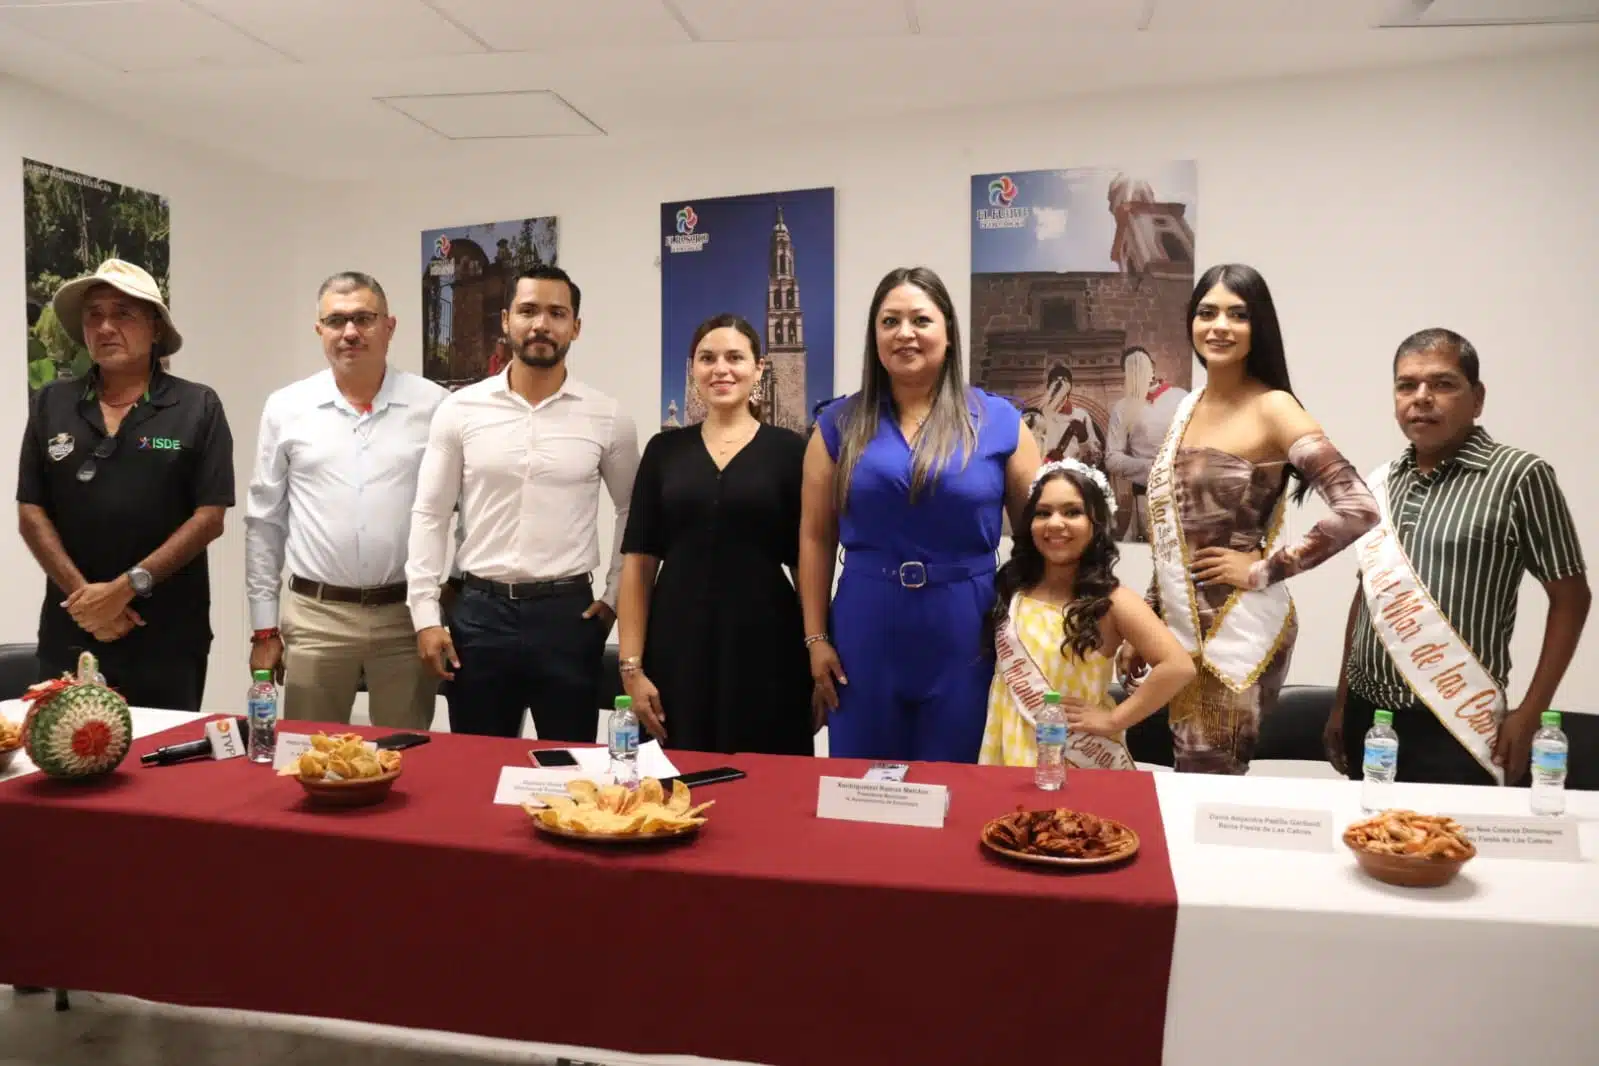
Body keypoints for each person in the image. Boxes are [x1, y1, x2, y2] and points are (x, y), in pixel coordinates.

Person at [1126, 263, 1379, 774]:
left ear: (1258, 325)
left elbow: (1359, 507)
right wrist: (1148, 621)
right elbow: (1174, 532)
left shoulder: (1273, 407)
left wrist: (1264, 568)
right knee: (1191, 779)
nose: (1219, 325)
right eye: (1207, 312)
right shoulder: (1188, 406)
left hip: (1236, 633)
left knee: (1208, 786)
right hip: (1180, 629)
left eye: (1237, 314)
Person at [799, 266, 1041, 762]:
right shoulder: (836, 424)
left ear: (948, 333)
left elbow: (1039, 539)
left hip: (967, 628)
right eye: (889, 322)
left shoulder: (1000, 423)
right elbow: (815, 537)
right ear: (875, 336)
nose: (904, 333)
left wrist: (1038, 631)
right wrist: (816, 638)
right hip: (865, 626)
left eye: (920, 320)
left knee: (960, 786)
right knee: (862, 789)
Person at [1326, 329, 1588, 786]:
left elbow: (1572, 597)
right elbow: (1367, 596)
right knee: (1373, 847)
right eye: (1406, 385)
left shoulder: (1520, 476)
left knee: (1452, 849)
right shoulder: (1381, 481)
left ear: (1477, 398)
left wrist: (1530, 712)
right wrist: (1342, 703)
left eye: (1443, 384)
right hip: (1369, 716)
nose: (1421, 398)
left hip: (1457, 723)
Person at [407, 265, 639, 740]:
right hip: (479, 615)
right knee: (475, 771)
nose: (541, 325)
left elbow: (632, 511)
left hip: (568, 617)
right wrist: (425, 616)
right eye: (529, 311)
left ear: (575, 327)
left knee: (571, 771)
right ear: (505, 320)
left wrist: (614, 596)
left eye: (557, 313)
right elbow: (429, 515)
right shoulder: (460, 409)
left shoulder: (608, 416)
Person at [16, 259, 234, 711]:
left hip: (167, 634)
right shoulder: (52, 403)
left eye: (123, 313)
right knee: (63, 761)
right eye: (94, 314)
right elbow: (31, 511)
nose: (106, 326)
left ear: (154, 327)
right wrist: (86, 602)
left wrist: (123, 590)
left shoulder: (197, 406)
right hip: (72, 628)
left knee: (160, 768)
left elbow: (210, 517)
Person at [245, 272, 449, 729]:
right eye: (336, 320)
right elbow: (264, 521)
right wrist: (263, 627)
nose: (350, 332)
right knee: (309, 757)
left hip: (405, 618)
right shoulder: (286, 407)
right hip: (316, 618)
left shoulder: (434, 406)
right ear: (320, 330)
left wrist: (446, 594)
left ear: (390, 326)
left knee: (407, 758)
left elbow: (464, 507)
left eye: (363, 318)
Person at [617, 314, 811, 754]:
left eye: (734, 357)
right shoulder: (664, 451)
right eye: (707, 358)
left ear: (759, 368)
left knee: (767, 786)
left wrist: (816, 653)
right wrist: (632, 667)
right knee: (674, 785)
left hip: (770, 649)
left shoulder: (790, 451)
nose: (720, 369)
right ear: (693, 369)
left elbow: (807, 565)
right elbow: (639, 561)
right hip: (675, 648)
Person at [980, 460, 1194, 769]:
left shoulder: (1111, 601)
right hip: (1008, 747)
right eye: (1043, 513)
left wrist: (1114, 719)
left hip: (1076, 759)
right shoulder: (1013, 590)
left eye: (1072, 512)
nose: (1055, 523)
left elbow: (1178, 666)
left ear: (1096, 523)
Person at [1104, 346, 1188, 541]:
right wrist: (1150, 468)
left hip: (1182, 491)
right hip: (1145, 495)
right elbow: (1112, 458)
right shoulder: (1123, 408)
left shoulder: (1181, 397)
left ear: (1153, 367)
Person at [1039, 364, 1104, 465]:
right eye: (1055, 380)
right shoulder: (1040, 416)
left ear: (1070, 387)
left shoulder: (1081, 415)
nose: (1060, 383)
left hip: (1073, 477)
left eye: (1064, 380)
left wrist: (1084, 439)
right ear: (1048, 386)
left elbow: (1095, 461)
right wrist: (1047, 458)